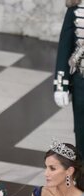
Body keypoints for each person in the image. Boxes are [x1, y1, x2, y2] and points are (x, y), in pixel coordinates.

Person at [53, 0, 84, 161]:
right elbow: (65, 47)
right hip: (81, 83)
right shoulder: (76, 8)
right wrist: (60, 85)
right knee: (82, 135)